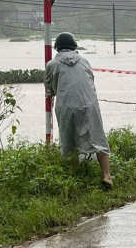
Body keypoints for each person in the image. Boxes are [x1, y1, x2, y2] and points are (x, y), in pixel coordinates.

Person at [44, 32, 113, 190]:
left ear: (57, 48)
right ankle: (107, 176)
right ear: (74, 47)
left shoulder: (52, 64)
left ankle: (73, 178)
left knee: (68, 142)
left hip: (66, 106)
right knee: (98, 139)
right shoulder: (84, 61)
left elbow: (50, 89)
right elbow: (91, 82)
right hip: (89, 105)